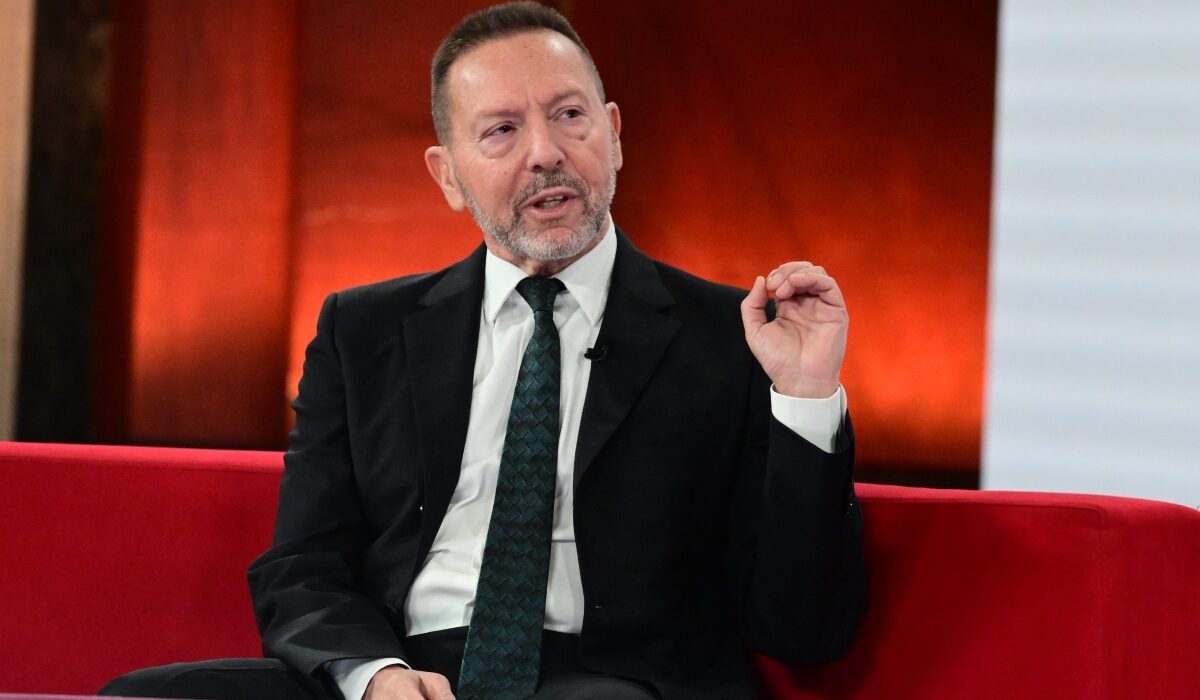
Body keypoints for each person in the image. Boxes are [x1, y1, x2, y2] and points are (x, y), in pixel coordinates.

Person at [101, 3, 865, 699]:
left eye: (569, 115)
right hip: (406, 671)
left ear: (613, 135)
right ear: (448, 176)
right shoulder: (362, 331)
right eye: (501, 131)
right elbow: (304, 564)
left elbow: (803, 628)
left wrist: (805, 397)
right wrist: (373, 675)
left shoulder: (729, 333)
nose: (545, 153)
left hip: (614, 678)